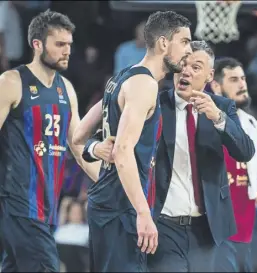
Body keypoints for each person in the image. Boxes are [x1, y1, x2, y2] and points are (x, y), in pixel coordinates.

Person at [75, 41, 255, 272]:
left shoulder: (222, 107)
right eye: (184, 64)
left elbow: (245, 151)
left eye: (196, 67)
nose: (187, 71)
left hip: (208, 228)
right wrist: (94, 148)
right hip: (163, 225)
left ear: (210, 76)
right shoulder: (155, 103)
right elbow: (96, 136)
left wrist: (218, 117)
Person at [72, 11, 192, 272]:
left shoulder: (120, 77)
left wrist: (95, 148)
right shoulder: (144, 85)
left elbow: (79, 136)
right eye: (184, 42)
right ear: (163, 43)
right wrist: (143, 212)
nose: (189, 50)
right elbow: (124, 151)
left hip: (107, 202)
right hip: (120, 206)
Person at [0, 10, 101, 272]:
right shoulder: (12, 82)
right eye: (59, 44)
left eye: (69, 44)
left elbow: (78, 147)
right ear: (37, 44)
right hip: (17, 202)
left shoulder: (65, 89)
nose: (67, 50)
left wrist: (111, 182)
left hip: (47, 206)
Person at [210, 57, 257, 272]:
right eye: (233, 79)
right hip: (214, 237)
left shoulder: (250, 123)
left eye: (243, 78)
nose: (242, 84)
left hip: (244, 235)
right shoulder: (203, 120)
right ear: (216, 85)